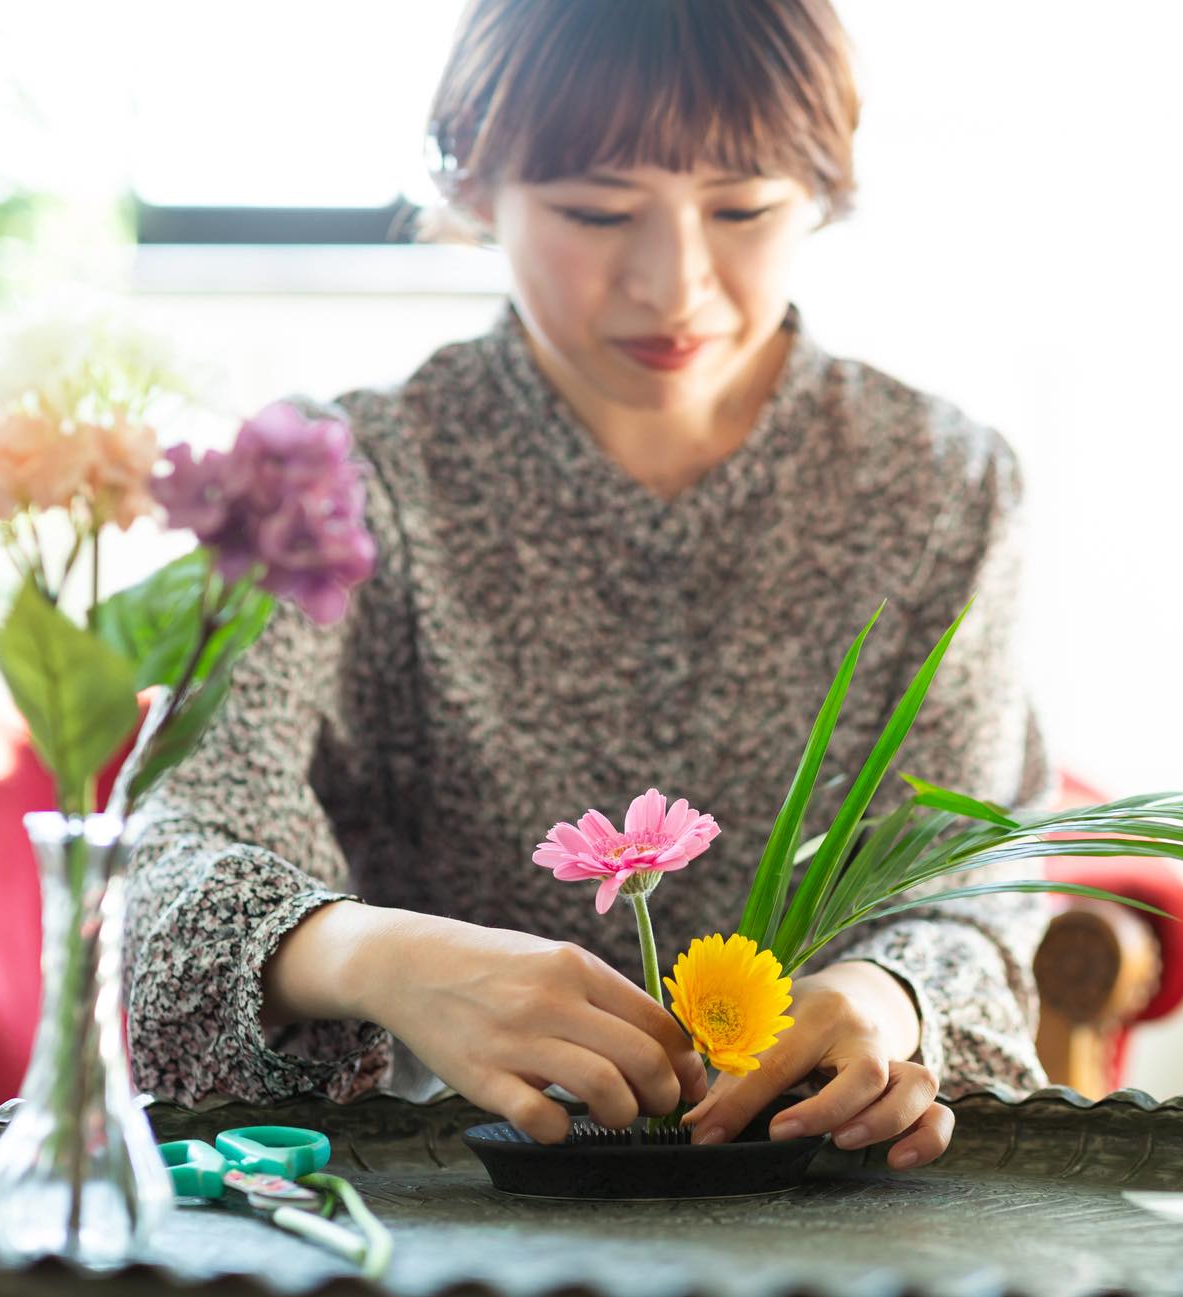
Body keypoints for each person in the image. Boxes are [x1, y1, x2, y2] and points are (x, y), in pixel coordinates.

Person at [125, 0, 1054, 1173]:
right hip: (442, 1205)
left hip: (823, 1198)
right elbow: (169, 862)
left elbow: (970, 882)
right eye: (594, 211)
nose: (673, 287)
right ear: (474, 189)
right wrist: (383, 959)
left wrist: (886, 997)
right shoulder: (334, 480)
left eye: (744, 207)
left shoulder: (941, 484)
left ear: (823, 190)